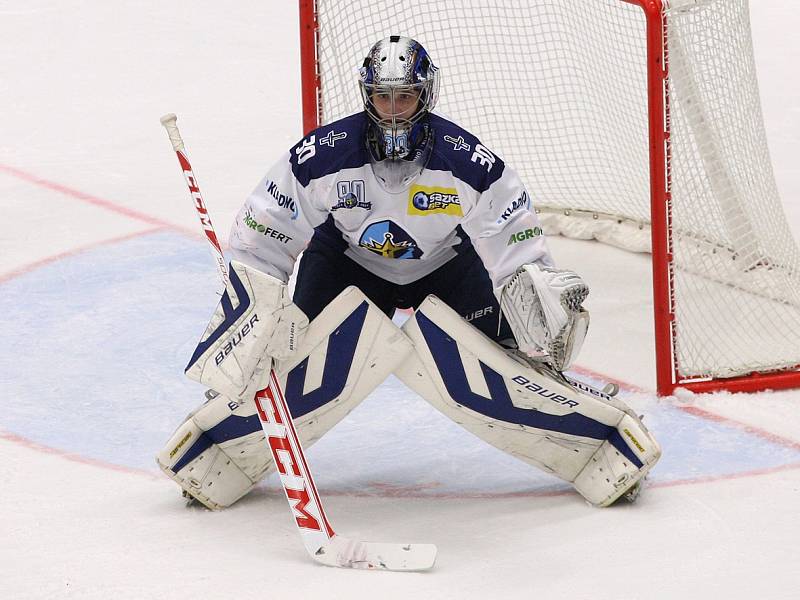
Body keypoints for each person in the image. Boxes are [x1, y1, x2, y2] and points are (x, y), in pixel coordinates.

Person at [157, 36, 592, 509]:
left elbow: (513, 234)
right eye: (382, 97)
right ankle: (224, 429)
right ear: (367, 96)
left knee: (506, 351)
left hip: (445, 264)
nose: (392, 110)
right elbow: (266, 230)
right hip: (346, 264)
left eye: (404, 96)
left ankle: (572, 420)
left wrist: (535, 285)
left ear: (426, 95)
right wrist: (258, 302)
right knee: (289, 353)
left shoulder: (467, 161)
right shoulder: (323, 155)